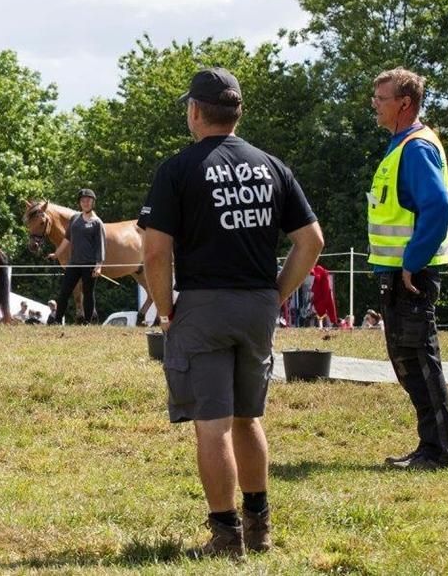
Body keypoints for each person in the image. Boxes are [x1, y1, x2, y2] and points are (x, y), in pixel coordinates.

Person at [138, 67, 324, 558]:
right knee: (248, 418)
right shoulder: (271, 166)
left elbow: (156, 252)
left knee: (212, 422)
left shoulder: (177, 169)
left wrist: (163, 312)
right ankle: (258, 528)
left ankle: (225, 538)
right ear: (238, 112)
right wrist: (278, 295)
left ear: (195, 112)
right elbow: (312, 242)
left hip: (203, 306)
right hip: (257, 308)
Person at [368, 67, 448, 471]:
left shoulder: (416, 147)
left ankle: (438, 452)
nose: (374, 103)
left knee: (420, 359)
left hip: (412, 275)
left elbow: (437, 208)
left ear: (404, 104)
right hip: (399, 273)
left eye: (380, 98)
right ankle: (430, 446)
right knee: (407, 359)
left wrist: (413, 262)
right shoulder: (400, 144)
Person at [50, 188, 105, 324]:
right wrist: (57, 254)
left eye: (88, 201)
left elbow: (100, 245)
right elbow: (67, 238)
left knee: (88, 293)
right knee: (64, 292)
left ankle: (87, 321)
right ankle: (57, 321)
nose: (85, 203)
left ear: (93, 202)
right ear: (80, 203)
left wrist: (98, 266)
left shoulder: (97, 222)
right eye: (83, 201)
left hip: (89, 264)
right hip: (73, 263)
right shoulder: (75, 218)